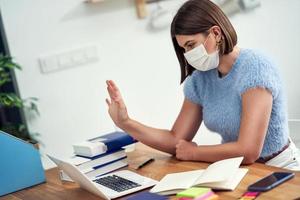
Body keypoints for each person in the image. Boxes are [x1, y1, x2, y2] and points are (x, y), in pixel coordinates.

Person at [105, 0, 300, 170]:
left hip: (280, 168)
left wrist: (195, 152)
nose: (188, 54)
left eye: (191, 45)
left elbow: (248, 151)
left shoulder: (256, 68)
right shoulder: (200, 80)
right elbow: (176, 140)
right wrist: (125, 122)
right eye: (183, 49)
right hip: (237, 170)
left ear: (216, 33)